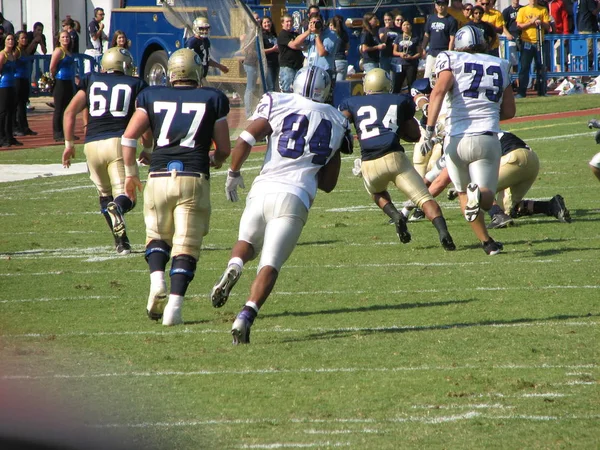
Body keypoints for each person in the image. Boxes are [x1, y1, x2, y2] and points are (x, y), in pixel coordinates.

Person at [210, 66, 352, 344]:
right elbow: (329, 184)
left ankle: (235, 265)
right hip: (296, 196)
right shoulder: (337, 120)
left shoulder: (278, 100)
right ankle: (245, 316)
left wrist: (233, 172)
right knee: (270, 265)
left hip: (264, 187)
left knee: (246, 241)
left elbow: (248, 137)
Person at [122, 48, 231, 326]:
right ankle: (174, 308)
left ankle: (157, 280)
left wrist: (130, 173)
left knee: (157, 235)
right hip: (193, 178)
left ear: (170, 72)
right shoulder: (212, 98)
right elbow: (224, 149)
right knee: (186, 244)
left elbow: (128, 138)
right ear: (197, 72)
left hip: (158, 177)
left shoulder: (151, 95)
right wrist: (215, 158)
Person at [339, 68, 455, 251]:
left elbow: (341, 122)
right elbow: (415, 134)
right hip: (395, 157)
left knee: (376, 193)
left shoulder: (352, 102)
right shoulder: (400, 100)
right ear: (387, 84)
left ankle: (395, 216)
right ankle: (443, 233)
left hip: (369, 163)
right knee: (424, 199)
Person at [423, 25, 515, 255]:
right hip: (486, 137)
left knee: (464, 194)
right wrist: (489, 113)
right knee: (485, 198)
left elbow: (438, 91)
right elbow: (510, 111)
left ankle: (487, 243)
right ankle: (486, 236)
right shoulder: (500, 64)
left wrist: (429, 129)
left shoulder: (450, 58)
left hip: (455, 140)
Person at [61, 47, 148, 255]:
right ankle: (119, 215)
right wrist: (149, 147)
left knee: (104, 196)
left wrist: (69, 145)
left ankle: (121, 242)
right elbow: (144, 119)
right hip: (118, 143)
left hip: (91, 145)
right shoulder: (136, 84)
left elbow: (69, 112)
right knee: (127, 197)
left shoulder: (91, 79)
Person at [296, 12, 339, 103]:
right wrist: (308, 31)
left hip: (325, 73)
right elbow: (295, 44)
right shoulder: (310, 34)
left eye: (317, 22)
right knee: (310, 100)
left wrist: (317, 35)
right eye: (312, 22)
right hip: (311, 72)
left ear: (322, 22)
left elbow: (322, 52)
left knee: (325, 100)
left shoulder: (331, 35)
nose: (315, 24)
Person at [516, 0, 551, 98]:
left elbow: (548, 26)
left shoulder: (543, 9)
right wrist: (531, 22)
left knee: (541, 66)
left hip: (539, 41)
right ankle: (521, 92)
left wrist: (540, 22)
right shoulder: (523, 10)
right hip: (527, 41)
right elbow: (519, 25)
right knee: (524, 67)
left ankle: (542, 91)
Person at [185, 16, 229, 84]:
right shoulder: (192, 42)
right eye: (202, 29)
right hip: (193, 78)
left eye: (206, 28)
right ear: (196, 28)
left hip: (202, 77)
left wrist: (220, 66)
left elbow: (206, 59)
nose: (205, 31)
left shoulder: (206, 41)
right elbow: (187, 61)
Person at [421, 0, 458, 79]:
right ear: (435, 5)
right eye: (438, 4)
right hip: (432, 52)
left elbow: (452, 39)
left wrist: (449, 53)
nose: (440, 7)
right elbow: (426, 34)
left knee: (441, 77)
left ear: (447, 5)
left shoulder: (451, 20)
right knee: (427, 77)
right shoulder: (431, 18)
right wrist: (423, 48)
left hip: (444, 53)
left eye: (443, 5)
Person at [50, 31, 76, 142]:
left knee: (68, 108)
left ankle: (67, 132)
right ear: (59, 39)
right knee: (59, 109)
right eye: (63, 37)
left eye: (67, 37)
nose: (65, 39)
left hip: (69, 81)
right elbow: (52, 67)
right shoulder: (58, 51)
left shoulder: (69, 51)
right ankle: (58, 133)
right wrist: (54, 78)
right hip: (60, 81)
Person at [14, 31, 36, 137]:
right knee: (18, 105)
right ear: (17, 39)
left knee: (23, 104)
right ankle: (17, 127)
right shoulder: (17, 51)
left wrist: (37, 40)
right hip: (17, 79)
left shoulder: (24, 50)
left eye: (26, 38)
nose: (25, 40)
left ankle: (25, 127)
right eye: (22, 38)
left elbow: (31, 48)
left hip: (24, 79)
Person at [0, 33, 20, 148]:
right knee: (3, 112)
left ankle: (9, 136)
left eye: (12, 39)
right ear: (5, 41)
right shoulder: (2, 55)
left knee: (11, 112)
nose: (11, 41)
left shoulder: (12, 55)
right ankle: (1, 137)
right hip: (3, 85)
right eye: (8, 39)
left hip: (12, 84)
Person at [391, 20, 421, 93]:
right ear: (401, 27)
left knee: (411, 84)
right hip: (400, 64)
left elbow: (419, 53)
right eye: (404, 25)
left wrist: (412, 57)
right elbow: (394, 52)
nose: (406, 26)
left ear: (411, 27)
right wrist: (400, 54)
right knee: (397, 84)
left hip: (411, 64)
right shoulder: (398, 37)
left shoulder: (415, 38)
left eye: (408, 24)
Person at [277, 13, 304, 92]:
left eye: (291, 21)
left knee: (297, 90)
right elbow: (293, 45)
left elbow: (304, 46)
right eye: (287, 21)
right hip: (287, 67)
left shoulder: (295, 34)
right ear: (282, 23)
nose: (289, 23)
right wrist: (299, 46)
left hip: (297, 66)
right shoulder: (282, 35)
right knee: (287, 90)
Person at [261, 16, 279, 92]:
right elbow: (260, 50)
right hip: (268, 63)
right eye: (264, 22)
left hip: (276, 63)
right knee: (270, 86)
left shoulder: (274, 35)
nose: (267, 24)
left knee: (275, 85)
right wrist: (272, 49)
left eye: (268, 22)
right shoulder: (261, 36)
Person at [330, 15, 349, 81]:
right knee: (340, 85)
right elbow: (347, 47)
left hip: (331, 61)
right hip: (341, 60)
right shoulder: (344, 33)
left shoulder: (330, 34)